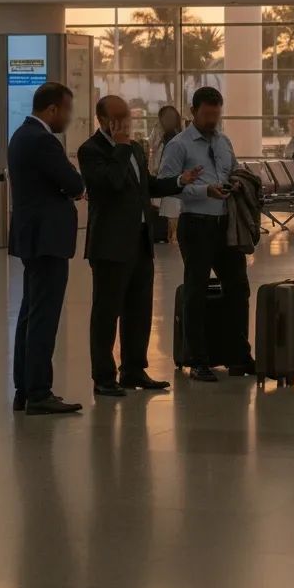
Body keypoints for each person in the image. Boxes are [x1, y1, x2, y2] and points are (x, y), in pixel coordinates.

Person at [79, 95, 202, 396]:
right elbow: (111, 184)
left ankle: (134, 369)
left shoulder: (135, 148)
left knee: (139, 309)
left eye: (126, 116)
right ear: (102, 120)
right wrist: (120, 147)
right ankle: (103, 377)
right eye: (117, 117)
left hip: (140, 241)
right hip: (109, 245)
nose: (124, 122)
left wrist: (179, 181)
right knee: (107, 312)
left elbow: (146, 184)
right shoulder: (91, 151)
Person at [158, 86, 256, 382]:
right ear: (193, 112)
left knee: (238, 287)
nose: (212, 119)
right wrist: (204, 190)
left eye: (216, 114)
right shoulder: (179, 145)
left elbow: (234, 170)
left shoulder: (224, 141)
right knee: (196, 290)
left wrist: (235, 184)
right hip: (196, 223)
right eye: (206, 114)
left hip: (225, 225)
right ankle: (198, 360)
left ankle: (239, 355)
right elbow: (166, 184)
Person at [8, 82, 85, 415]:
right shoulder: (43, 141)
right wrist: (73, 183)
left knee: (30, 313)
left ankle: (25, 388)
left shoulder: (21, 136)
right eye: (67, 110)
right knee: (43, 316)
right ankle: (39, 392)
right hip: (47, 238)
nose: (68, 118)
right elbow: (74, 183)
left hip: (33, 237)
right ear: (52, 109)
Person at [149, 104, 184, 242]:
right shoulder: (162, 137)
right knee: (167, 216)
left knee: (172, 215)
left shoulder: (177, 139)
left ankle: (171, 236)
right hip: (165, 185)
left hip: (173, 184)